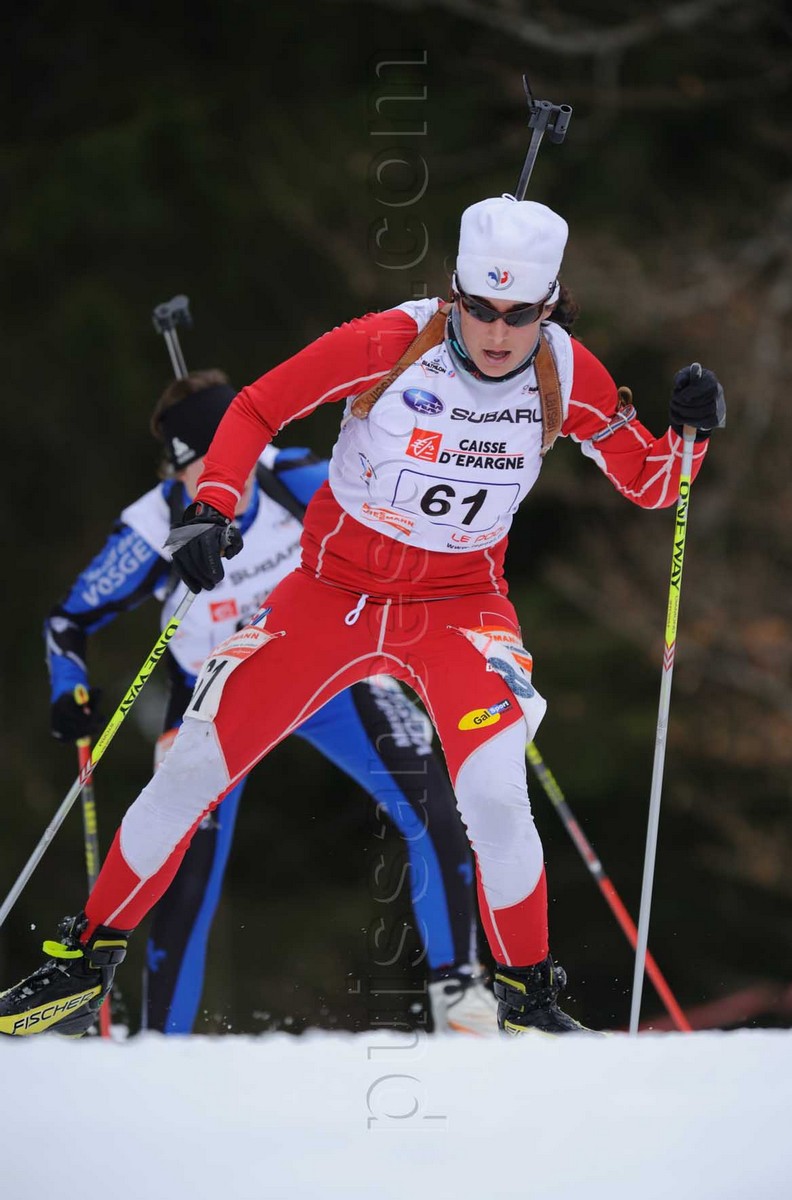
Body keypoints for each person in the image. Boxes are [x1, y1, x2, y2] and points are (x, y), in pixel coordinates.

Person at [0, 194, 725, 1038]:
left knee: (493, 795)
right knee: (191, 769)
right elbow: (257, 407)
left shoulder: (566, 373)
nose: (497, 334)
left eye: (519, 315)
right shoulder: (389, 342)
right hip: (331, 596)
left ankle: (526, 998)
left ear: (550, 306)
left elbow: (651, 483)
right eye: (479, 309)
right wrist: (213, 504)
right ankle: (83, 962)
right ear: (453, 293)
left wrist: (689, 436)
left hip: (458, 606)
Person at [40, 369, 496, 1035]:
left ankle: (459, 996)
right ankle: (160, 1044)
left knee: (433, 799)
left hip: (327, 679)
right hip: (214, 695)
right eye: (203, 467)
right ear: (175, 468)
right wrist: (67, 687)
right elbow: (68, 621)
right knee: (182, 864)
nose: (226, 477)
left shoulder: (298, 478)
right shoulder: (153, 528)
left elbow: (401, 528)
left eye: (237, 454)